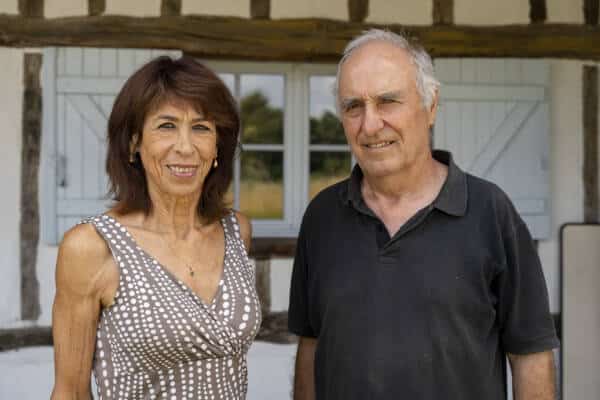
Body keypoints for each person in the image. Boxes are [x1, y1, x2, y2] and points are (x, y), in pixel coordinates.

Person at [288, 29, 559, 400]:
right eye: (353, 106)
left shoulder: (491, 213)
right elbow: (311, 346)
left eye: (387, 102)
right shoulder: (322, 218)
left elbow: (530, 357)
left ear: (430, 106)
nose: (369, 125)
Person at [51, 56, 262, 399]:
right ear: (134, 142)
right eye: (166, 126)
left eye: (201, 127)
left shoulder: (237, 231)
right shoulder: (91, 247)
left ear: (217, 146)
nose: (185, 147)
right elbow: (70, 392)